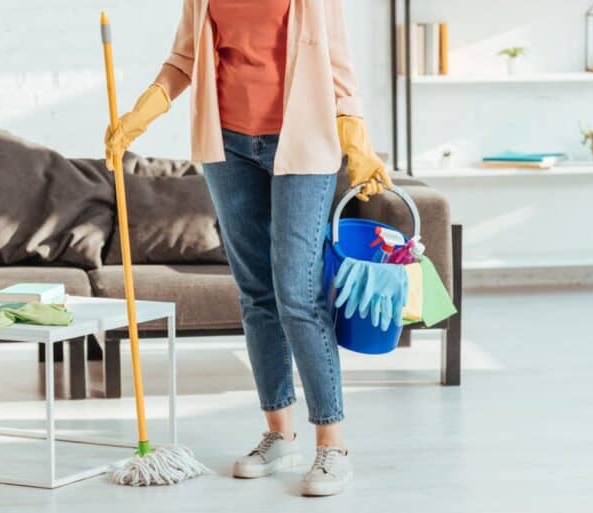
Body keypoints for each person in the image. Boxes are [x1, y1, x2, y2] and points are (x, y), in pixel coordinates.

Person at [104, 0, 391, 497]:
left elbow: (338, 68)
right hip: (228, 148)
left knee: (297, 293)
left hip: (302, 142)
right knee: (255, 293)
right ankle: (279, 434)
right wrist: (140, 115)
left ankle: (332, 442)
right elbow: (183, 60)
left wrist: (357, 141)